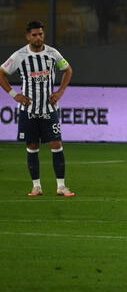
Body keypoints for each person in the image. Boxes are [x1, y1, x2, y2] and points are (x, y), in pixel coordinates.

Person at [0, 21, 75, 197]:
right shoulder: (19, 56)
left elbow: (68, 70)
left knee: (56, 144)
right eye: (34, 35)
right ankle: (36, 187)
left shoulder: (52, 53)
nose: (38, 37)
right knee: (32, 146)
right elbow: (1, 73)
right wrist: (14, 94)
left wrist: (61, 91)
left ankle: (61, 187)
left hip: (49, 109)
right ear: (28, 37)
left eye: (40, 34)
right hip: (29, 110)